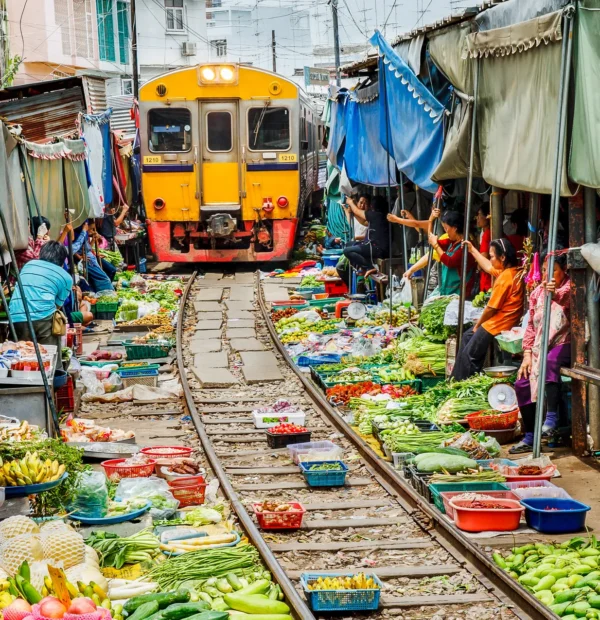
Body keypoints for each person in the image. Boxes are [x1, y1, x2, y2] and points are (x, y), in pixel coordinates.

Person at [510, 246, 570, 454]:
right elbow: (530, 327)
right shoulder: (537, 293)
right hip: (539, 346)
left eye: (552, 270)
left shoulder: (572, 288)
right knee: (522, 381)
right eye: (544, 270)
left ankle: (551, 417)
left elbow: (566, 300)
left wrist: (554, 294)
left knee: (550, 362)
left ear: (564, 270)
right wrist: (527, 354)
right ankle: (530, 436)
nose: (546, 275)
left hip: (564, 343)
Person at [451, 238, 524, 381]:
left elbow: (491, 309)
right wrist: (472, 250)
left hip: (498, 325)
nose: (490, 260)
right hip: (498, 322)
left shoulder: (505, 279)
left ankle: (462, 384)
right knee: (466, 337)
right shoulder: (513, 271)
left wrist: (477, 325)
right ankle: (455, 379)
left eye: (492, 256)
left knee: (469, 355)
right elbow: (488, 267)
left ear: (502, 257)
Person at [9, 241, 73, 348]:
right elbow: (57, 305)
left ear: (41, 254)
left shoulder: (29, 265)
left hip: (15, 315)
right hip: (42, 317)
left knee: (22, 355)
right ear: (62, 261)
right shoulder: (66, 277)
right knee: (49, 354)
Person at [337, 195, 389, 286]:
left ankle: (369, 267)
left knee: (347, 251)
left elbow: (357, 211)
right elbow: (363, 221)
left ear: (372, 206)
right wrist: (351, 210)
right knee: (349, 244)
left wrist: (350, 202)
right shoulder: (379, 216)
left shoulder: (375, 215)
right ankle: (362, 267)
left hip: (376, 248)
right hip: (374, 246)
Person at [428, 210, 476, 297]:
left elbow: (450, 262)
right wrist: (431, 220)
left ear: (455, 228)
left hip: (460, 294)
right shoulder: (452, 242)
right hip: (449, 292)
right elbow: (433, 241)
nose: (445, 232)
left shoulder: (465, 246)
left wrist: (435, 245)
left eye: (446, 228)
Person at [71, 222, 115, 293]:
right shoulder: (80, 234)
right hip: (88, 260)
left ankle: (106, 292)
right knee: (103, 278)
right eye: (91, 229)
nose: (93, 231)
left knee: (105, 275)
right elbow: (74, 248)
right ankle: (107, 293)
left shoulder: (85, 235)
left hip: (91, 258)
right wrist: (79, 257)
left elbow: (87, 248)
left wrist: (94, 240)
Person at [477, 204, 492, 293]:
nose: (478, 218)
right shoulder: (485, 233)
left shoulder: (487, 235)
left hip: (488, 281)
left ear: (488, 216)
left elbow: (483, 261)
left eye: (480, 215)